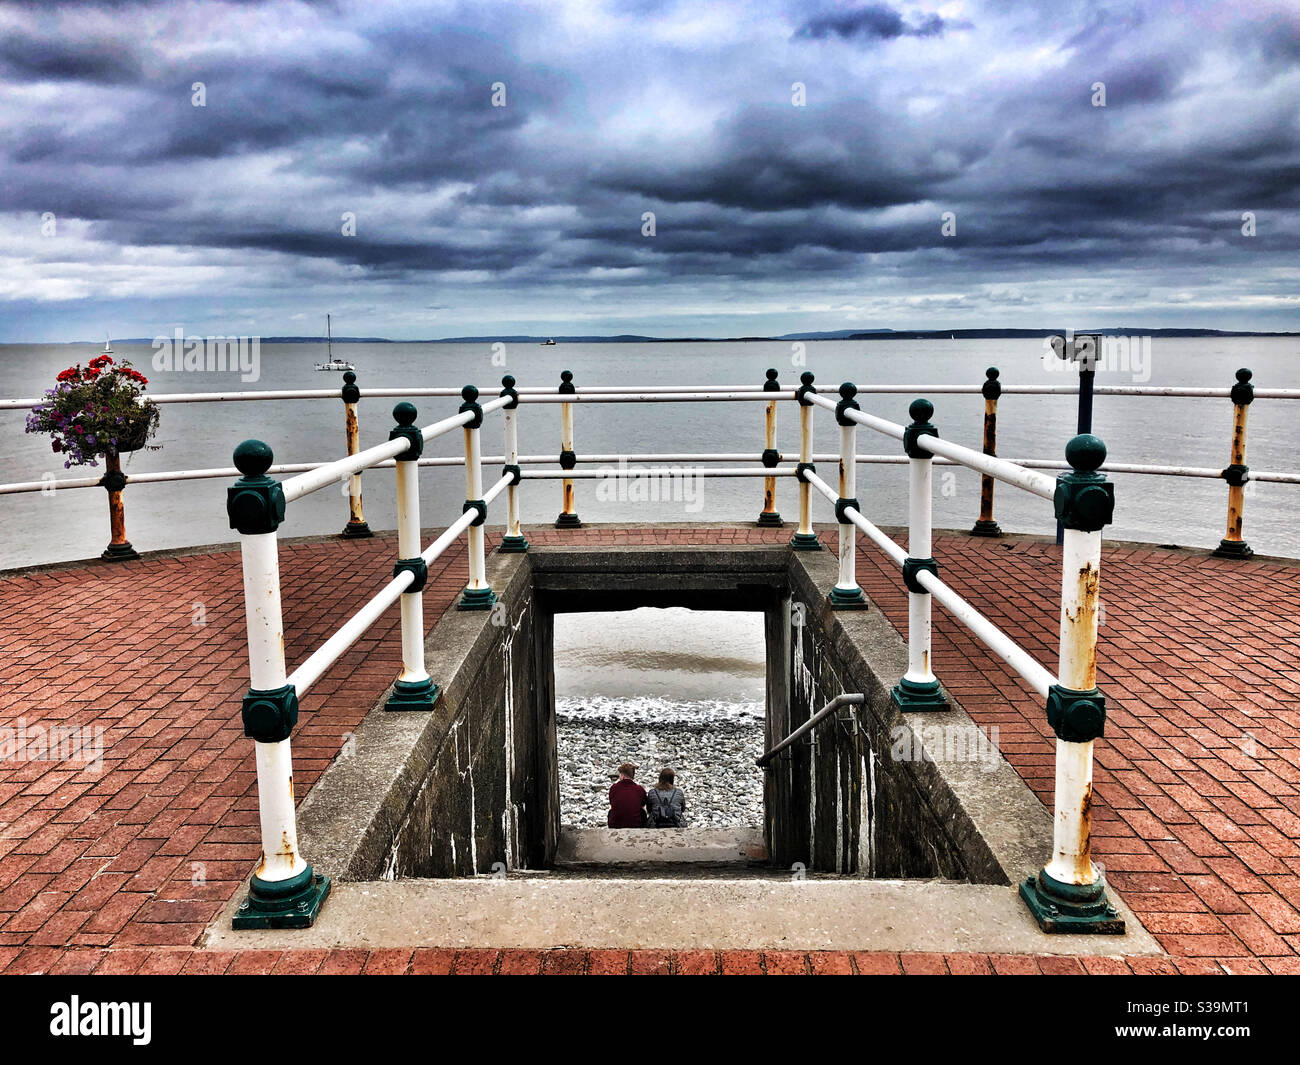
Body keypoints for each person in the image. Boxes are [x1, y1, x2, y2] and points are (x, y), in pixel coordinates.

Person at [607, 762, 647, 828]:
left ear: (622, 776)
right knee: (642, 811)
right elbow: (643, 805)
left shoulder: (614, 788)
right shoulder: (639, 789)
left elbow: (612, 803)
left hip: (616, 825)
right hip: (636, 825)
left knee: (610, 811)